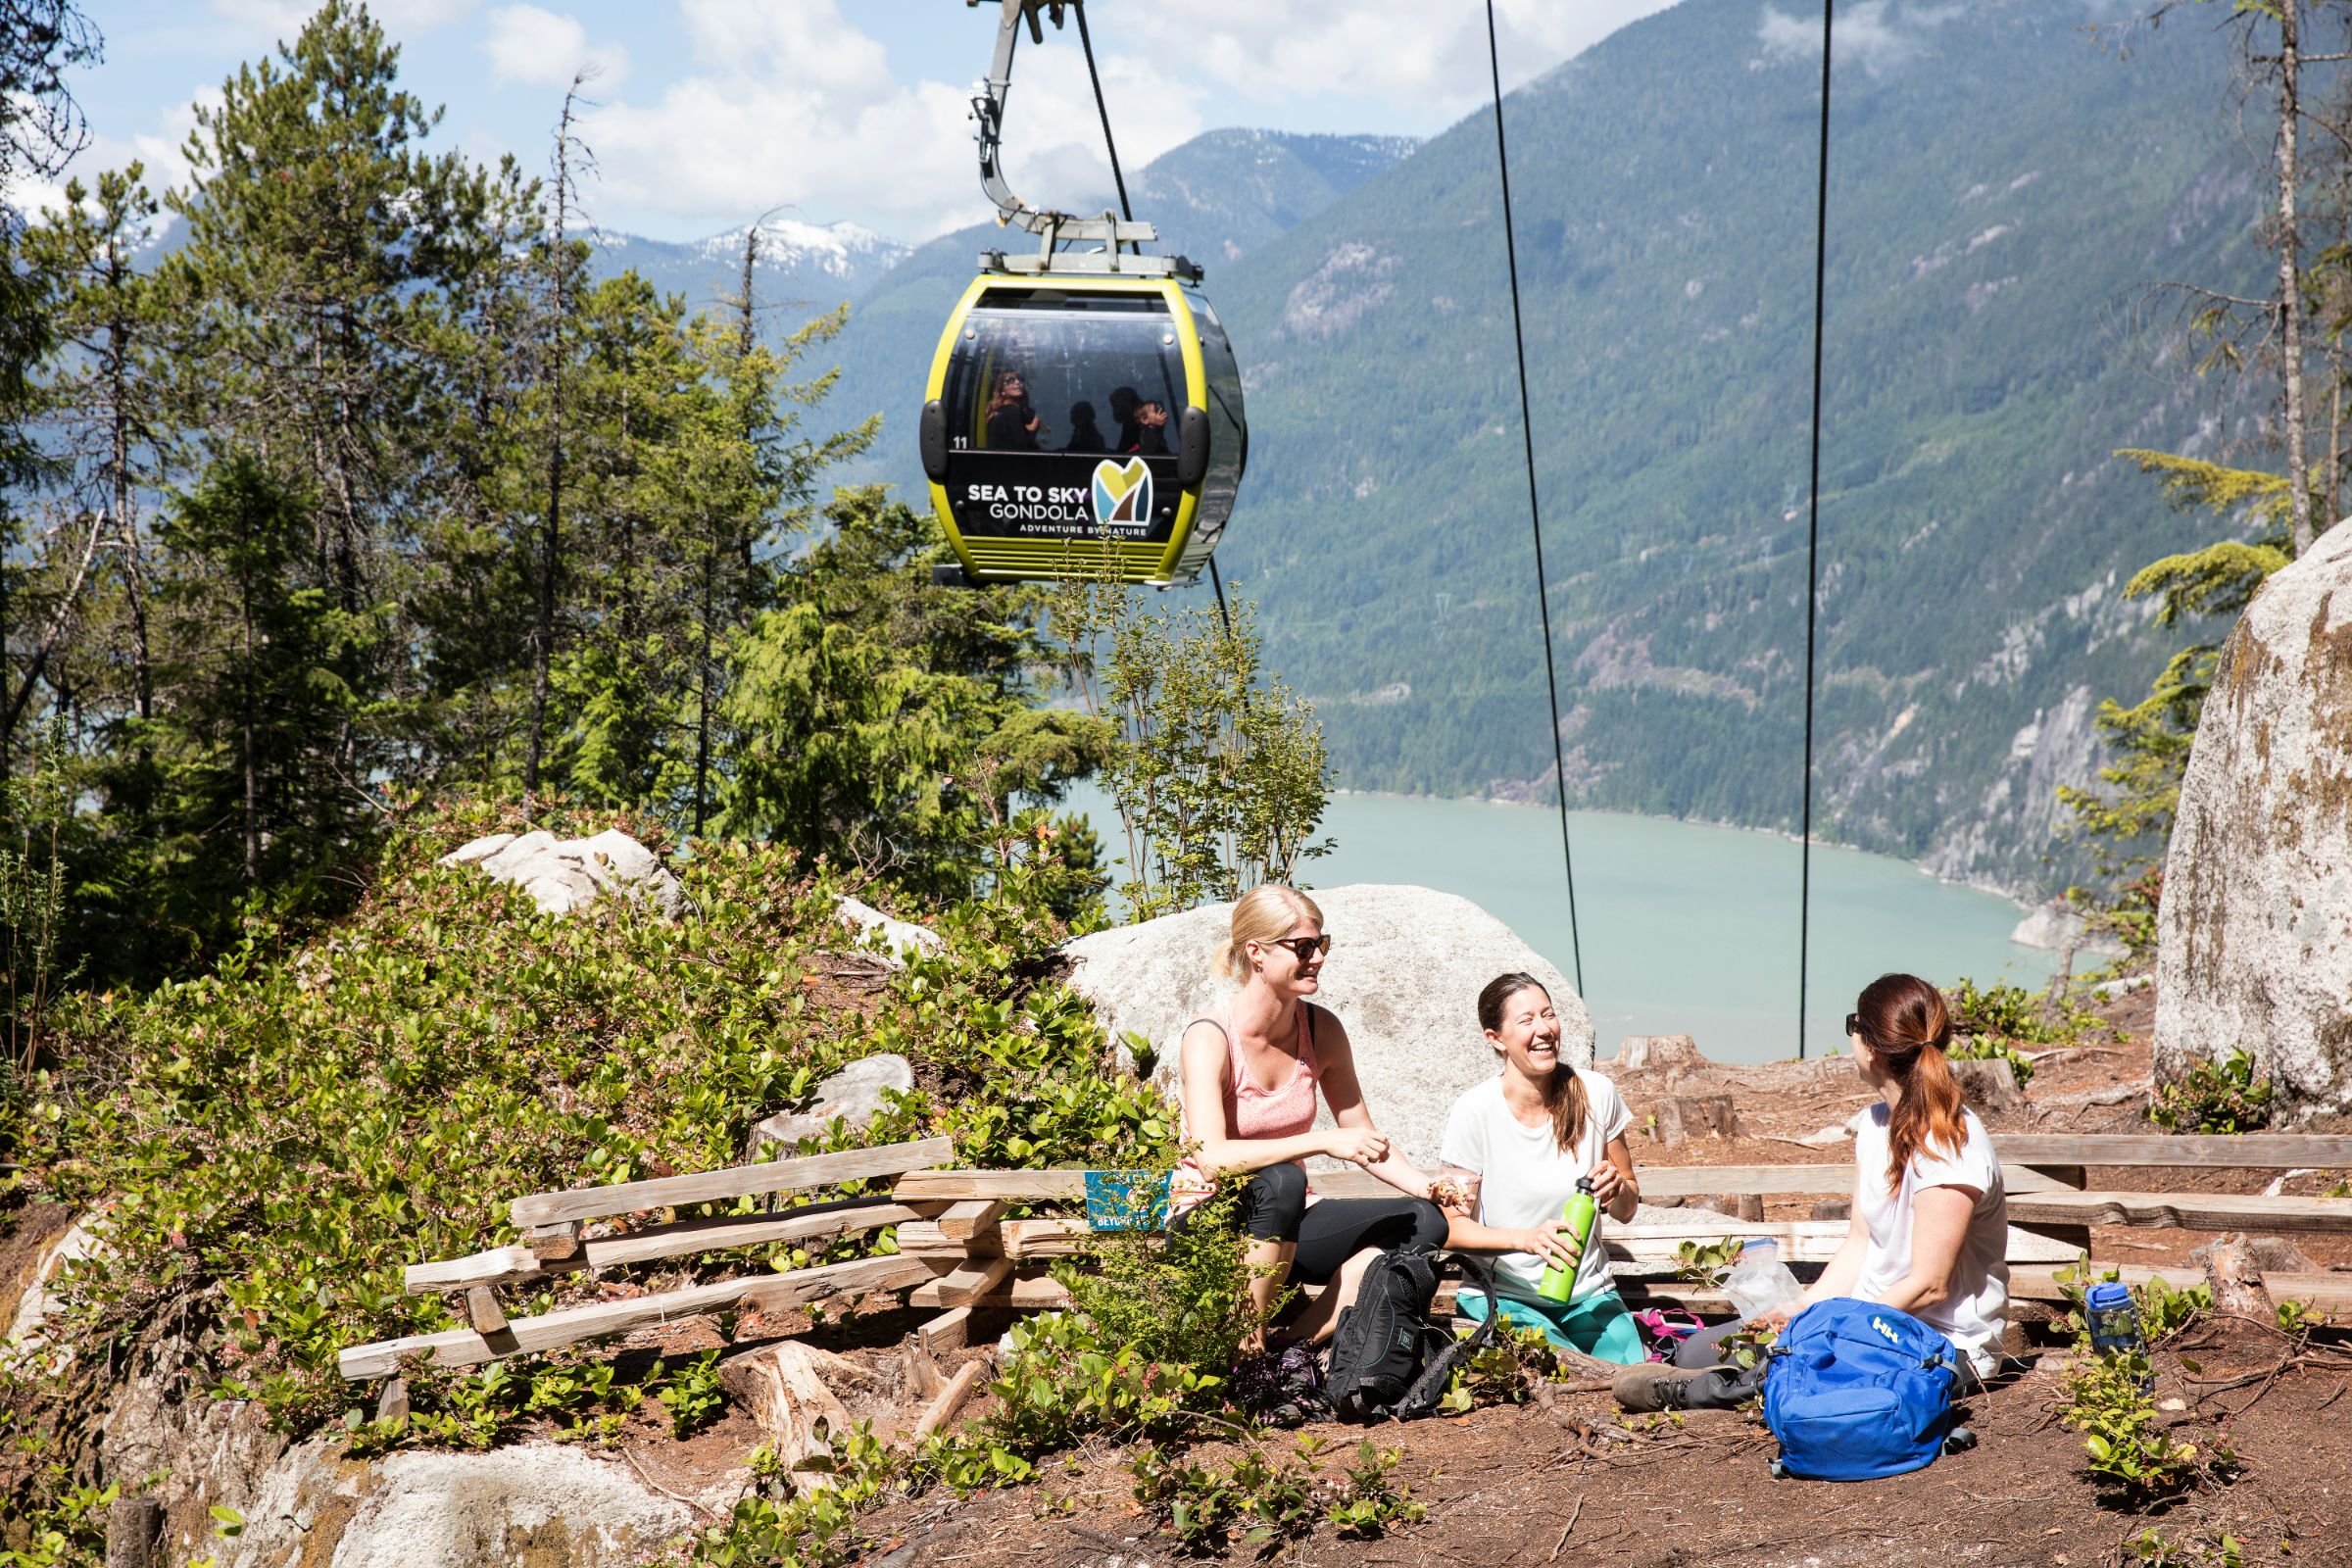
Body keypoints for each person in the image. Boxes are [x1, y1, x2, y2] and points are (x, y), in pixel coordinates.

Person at [1615, 972, 2011, 1410]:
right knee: (1696, 1351)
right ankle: (1717, 1377)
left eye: (1853, 1026)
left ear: (1871, 1046)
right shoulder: (1875, 1125)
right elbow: (1861, 1243)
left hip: (1942, 1344)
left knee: (1794, 1371)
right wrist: (1800, 1308)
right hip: (1859, 1316)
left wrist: (1832, 1326)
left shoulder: (1951, 1145)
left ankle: (1702, 1392)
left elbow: (1930, 1287)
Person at [1169, 885, 1448, 1350]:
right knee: (1281, 1180)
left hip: (1285, 1225)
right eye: (1302, 947)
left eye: (1321, 944)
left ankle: (1291, 1350)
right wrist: (1320, 1142)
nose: (1317, 957)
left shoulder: (1321, 1030)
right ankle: (1245, 1343)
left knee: (1424, 1222)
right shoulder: (1209, 1036)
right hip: (1206, 1221)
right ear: (1256, 953)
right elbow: (1213, 1159)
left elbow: (1361, 1133)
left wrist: (1427, 1186)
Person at [1435, 973, 1647, 1362]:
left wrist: (1618, 1189)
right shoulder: (1474, 1111)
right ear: (1495, 1038)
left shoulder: (1597, 1093)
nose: (1543, 1029)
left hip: (1590, 1295)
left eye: (1548, 1015)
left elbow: (1628, 1207)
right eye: (1526, 1020)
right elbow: (1451, 1229)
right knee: (1568, 1377)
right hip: (1502, 1297)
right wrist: (1526, 1239)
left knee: (1634, 1380)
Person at [984, 368, 1041, 450]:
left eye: (1020, 379)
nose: (1017, 382)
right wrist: (1033, 429)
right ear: (1002, 390)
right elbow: (1022, 449)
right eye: (1010, 380)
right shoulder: (1012, 411)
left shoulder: (1000, 411)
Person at [1106, 385, 1142, 452]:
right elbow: (1125, 452)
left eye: (1117, 406)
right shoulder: (1128, 425)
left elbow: (1135, 453)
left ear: (1130, 404)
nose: (1115, 411)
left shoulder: (1143, 427)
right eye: (1114, 406)